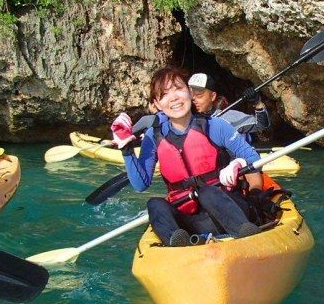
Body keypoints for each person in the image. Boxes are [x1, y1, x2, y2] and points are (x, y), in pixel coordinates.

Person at [113, 67, 263, 247]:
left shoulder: (214, 126)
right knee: (155, 204)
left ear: (189, 93)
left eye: (178, 88)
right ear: (157, 104)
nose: (174, 97)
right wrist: (127, 149)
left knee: (206, 191)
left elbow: (254, 158)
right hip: (192, 222)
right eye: (164, 94)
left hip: (228, 210)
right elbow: (140, 184)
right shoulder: (154, 137)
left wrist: (237, 163)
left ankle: (246, 235)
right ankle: (178, 243)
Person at [188, 73, 271, 143]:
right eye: (191, 95)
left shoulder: (228, 117)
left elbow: (261, 125)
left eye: (199, 95)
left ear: (213, 96)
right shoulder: (186, 120)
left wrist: (257, 102)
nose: (194, 99)